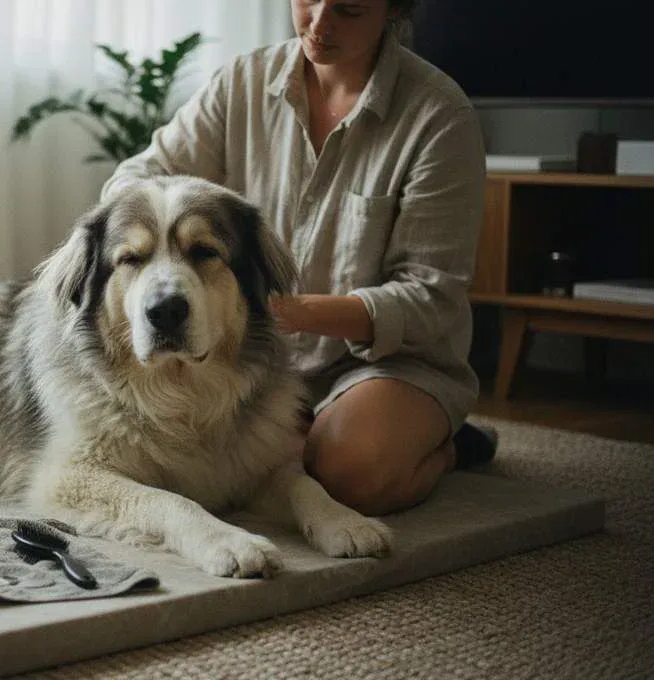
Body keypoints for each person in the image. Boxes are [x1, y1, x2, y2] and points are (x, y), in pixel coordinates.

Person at [101, 0, 497, 516]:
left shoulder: (439, 116)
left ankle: (445, 445)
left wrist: (284, 310)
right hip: (265, 356)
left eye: (350, 10)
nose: (320, 22)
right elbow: (138, 177)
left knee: (349, 474)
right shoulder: (242, 83)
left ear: (392, 10)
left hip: (387, 360)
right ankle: (314, 433)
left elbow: (429, 296)